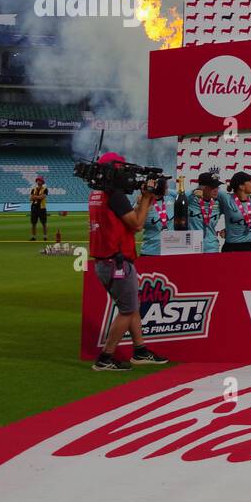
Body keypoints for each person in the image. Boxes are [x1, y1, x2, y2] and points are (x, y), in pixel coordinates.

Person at [88, 152, 169, 372]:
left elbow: (124, 220)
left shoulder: (97, 193)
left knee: (130, 306)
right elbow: (137, 224)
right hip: (117, 261)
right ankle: (105, 357)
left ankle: (140, 350)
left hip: (105, 260)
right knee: (127, 310)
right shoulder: (114, 194)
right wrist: (147, 198)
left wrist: (144, 200)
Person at [218, 171, 251, 252]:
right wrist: (196, 192)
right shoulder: (226, 198)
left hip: (250, 246)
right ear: (241, 186)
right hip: (231, 247)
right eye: (250, 181)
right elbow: (207, 189)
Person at [187, 172, 223, 253]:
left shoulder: (219, 203)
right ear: (202, 187)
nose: (216, 189)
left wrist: (229, 230)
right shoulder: (190, 200)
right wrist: (194, 191)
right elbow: (172, 195)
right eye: (212, 187)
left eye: (217, 186)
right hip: (192, 247)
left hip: (212, 248)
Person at [140, 178, 171, 255]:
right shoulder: (144, 203)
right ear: (159, 188)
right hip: (150, 252)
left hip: (170, 251)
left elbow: (184, 194)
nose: (168, 187)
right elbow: (136, 225)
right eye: (165, 186)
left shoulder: (171, 198)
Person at [29, 175, 48, 240]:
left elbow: (42, 197)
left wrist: (35, 197)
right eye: (38, 180)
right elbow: (30, 198)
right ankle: (33, 236)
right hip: (34, 207)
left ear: (42, 182)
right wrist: (38, 197)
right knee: (33, 223)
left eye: (40, 180)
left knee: (44, 223)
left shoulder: (45, 189)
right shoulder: (33, 189)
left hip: (42, 208)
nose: (38, 181)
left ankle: (45, 236)